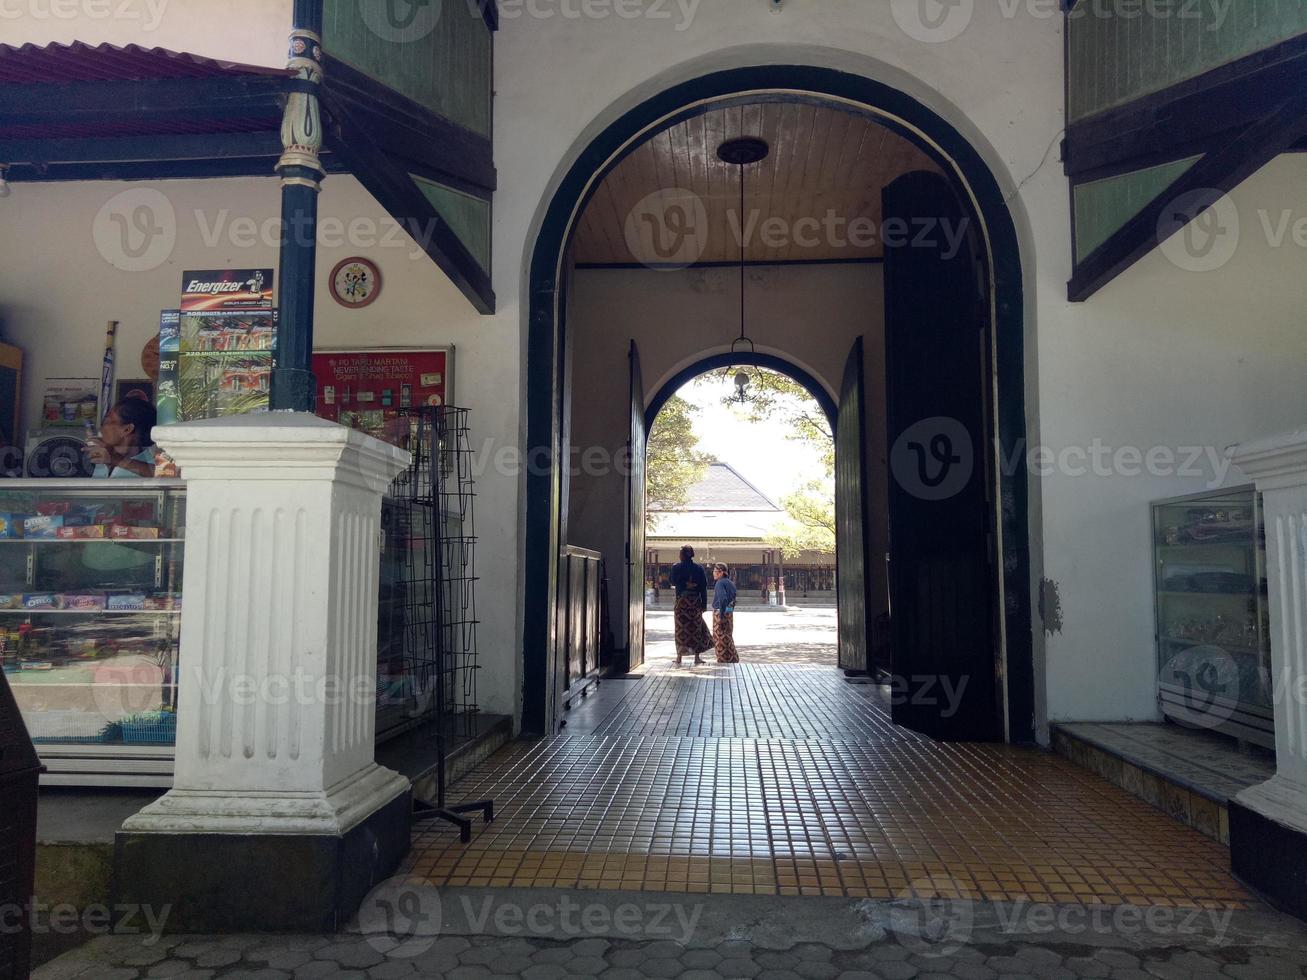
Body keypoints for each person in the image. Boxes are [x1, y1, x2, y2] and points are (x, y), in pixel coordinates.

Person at [87, 399, 158, 478]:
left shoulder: (152, 461)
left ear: (127, 429)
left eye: (107, 421)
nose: (101, 428)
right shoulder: (102, 460)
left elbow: (163, 476)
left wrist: (115, 459)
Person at [669, 545, 712, 666]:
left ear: (682, 555)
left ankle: (679, 657)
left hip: (682, 602)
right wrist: (704, 605)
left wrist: (683, 583)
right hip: (695, 602)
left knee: (680, 629)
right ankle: (697, 657)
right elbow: (703, 587)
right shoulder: (699, 568)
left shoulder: (676, 567)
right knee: (696, 629)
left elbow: (672, 581)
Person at [711, 562, 740, 664]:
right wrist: (728, 612)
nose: (713, 573)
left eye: (715, 571)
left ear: (720, 572)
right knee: (727, 637)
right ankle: (732, 658)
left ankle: (722, 659)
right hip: (729, 613)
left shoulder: (720, 583)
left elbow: (723, 599)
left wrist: (721, 615)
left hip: (720, 613)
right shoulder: (731, 583)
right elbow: (733, 601)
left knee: (719, 639)